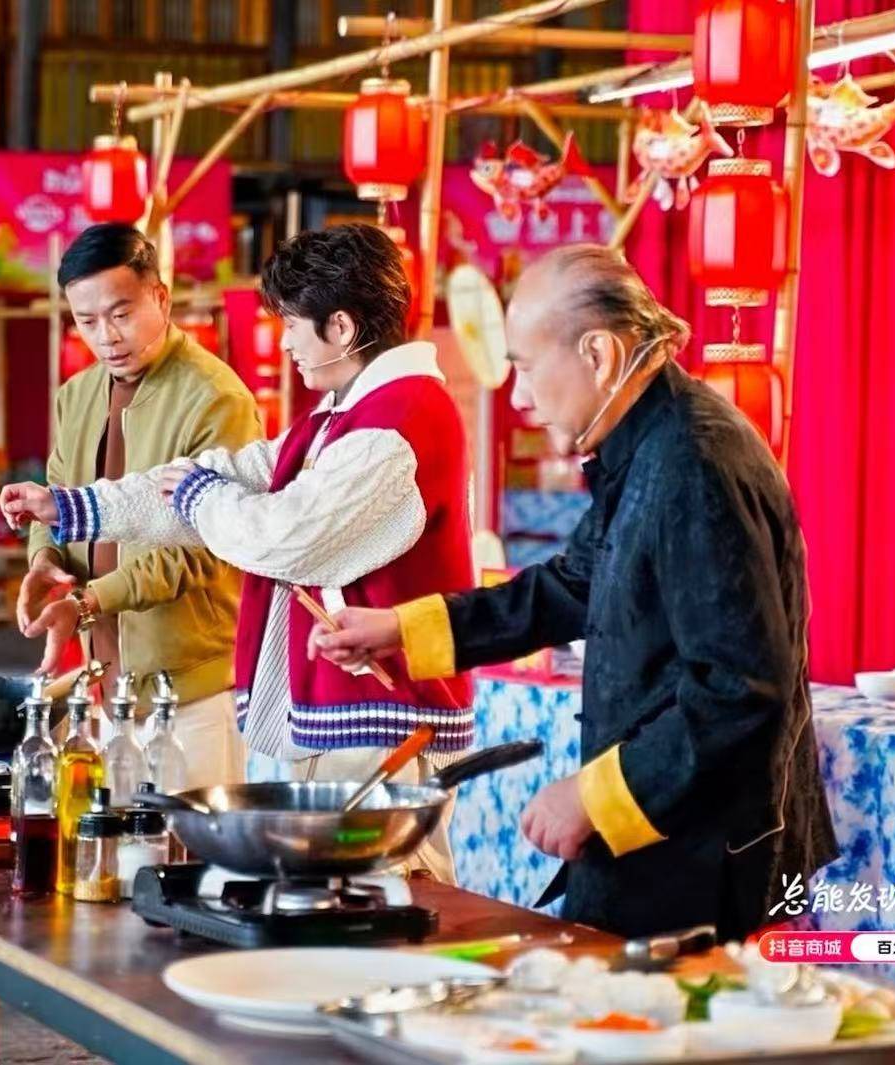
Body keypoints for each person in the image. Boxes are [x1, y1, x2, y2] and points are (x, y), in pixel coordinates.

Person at [325, 244, 821, 952]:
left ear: (597, 353)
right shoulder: (645, 438)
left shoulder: (693, 460)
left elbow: (738, 689)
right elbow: (573, 581)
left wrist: (591, 794)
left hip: (701, 849)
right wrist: (404, 627)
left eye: (525, 367)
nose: (518, 397)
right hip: (664, 829)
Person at [3, 224, 479, 780]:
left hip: (386, 718)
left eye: (292, 325)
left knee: (380, 870)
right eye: (87, 320)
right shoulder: (341, 415)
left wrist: (195, 496)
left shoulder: (396, 423)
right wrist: (69, 510)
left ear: (342, 327)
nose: (284, 343)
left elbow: (282, 537)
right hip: (345, 711)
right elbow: (223, 475)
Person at [40, 222, 268, 758]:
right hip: (102, 683)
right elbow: (56, 496)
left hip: (192, 691)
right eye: (87, 321)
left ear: (160, 299)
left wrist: (92, 599)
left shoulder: (216, 398)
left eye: (121, 315)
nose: (106, 337)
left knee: (188, 842)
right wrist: (43, 561)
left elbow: (204, 547)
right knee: (111, 839)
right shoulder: (75, 395)